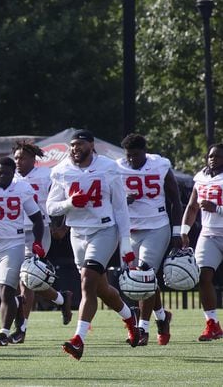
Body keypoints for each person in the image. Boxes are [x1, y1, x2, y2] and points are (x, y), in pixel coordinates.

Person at [47, 130, 139, 360]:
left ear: (91, 145)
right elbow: (50, 207)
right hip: (77, 233)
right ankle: (130, 318)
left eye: (79, 144)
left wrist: (126, 244)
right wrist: (69, 203)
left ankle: (78, 340)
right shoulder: (61, 170)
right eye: (72, 145)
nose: (75, 149)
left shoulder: (108, 167)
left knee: (87, 280)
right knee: (102, 290)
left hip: (104, 230)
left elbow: (120, 207)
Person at [0, 157, 45, 346]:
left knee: (6, 291)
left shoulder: (22, 188)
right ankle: (19, 304)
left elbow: (37, 218)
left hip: (14, 244)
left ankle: (3, 333)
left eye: (7, 173)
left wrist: (37, 242)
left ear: (14, 174)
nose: (2, 176)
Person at [117, 134, 183, 345]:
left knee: (144, 275)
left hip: (157, 226)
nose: (132, 160)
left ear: (145, 151)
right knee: (136, 280)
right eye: (129, 156)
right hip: (130, 230)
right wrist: (121, 200)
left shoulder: (160, 164)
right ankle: (162, 318)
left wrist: (177, 231)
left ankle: (142, 329)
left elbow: (175, 199)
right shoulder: (117, 167)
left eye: (135, 155)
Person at [11, 141, 74, 343]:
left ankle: (21, 328)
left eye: (22, 157)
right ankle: (62, 299)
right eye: (16, 158)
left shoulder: (47, 175)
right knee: (18, 280)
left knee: (27, 279)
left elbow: (62, 197)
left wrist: (61, 225)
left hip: (39, 230)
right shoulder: (8, 177)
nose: (18, 161)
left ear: (33, 159)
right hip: (12, 233)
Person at [180, 142, 223, 341]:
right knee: (203, 276)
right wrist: (184, 230)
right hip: (209, 234)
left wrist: (217, 209)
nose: (214, 159)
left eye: (219, 156)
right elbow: (191, 207)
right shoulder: (201, 178)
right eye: (211, 156)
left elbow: (213, 208)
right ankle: (212, 323)